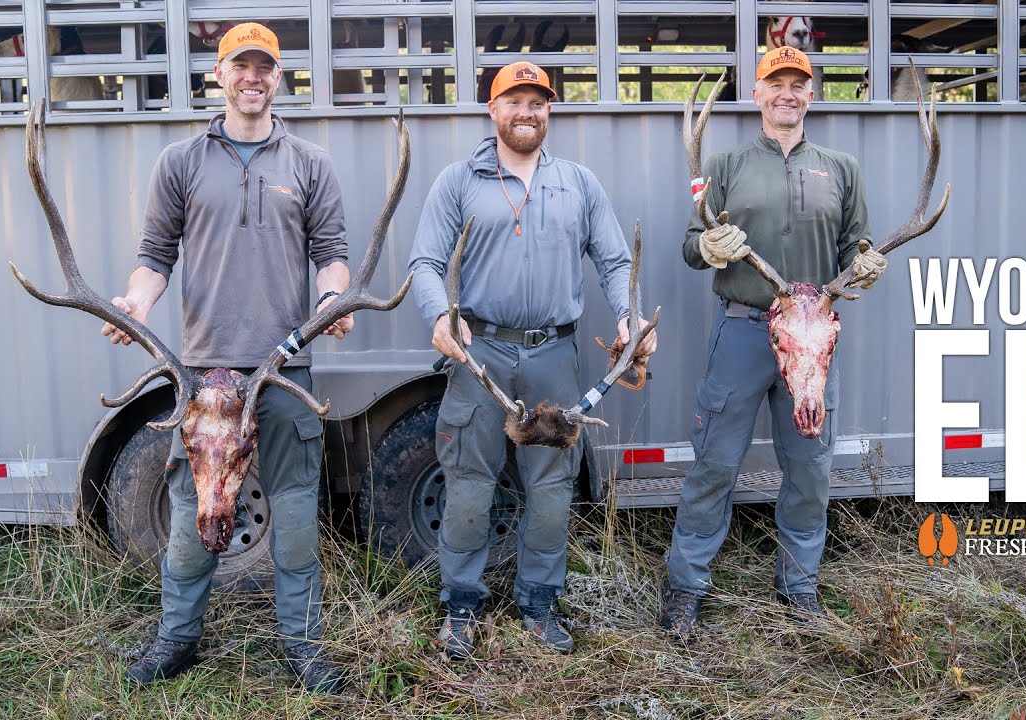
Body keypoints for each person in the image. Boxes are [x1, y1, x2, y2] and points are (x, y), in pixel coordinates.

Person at [104, 23, 351, 692]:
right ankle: (175, 642)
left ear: (277, 77)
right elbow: (156, 256)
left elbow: (332, 254)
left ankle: (304, 649)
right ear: (220, 75)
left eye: (263, 67)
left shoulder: (310, 163)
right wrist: (135, 304)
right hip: (207, 376)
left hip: (287, 371)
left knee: (296, 518)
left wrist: (333, 301)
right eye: (240, 66)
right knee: (194, 518)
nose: (252, 77)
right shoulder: (181, 162)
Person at [407, 61, 656, 659]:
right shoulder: (458, 182)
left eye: (538, 101)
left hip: (553, 354)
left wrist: (630, 318)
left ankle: (539, 602)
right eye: (514, 101)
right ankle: (462, 605)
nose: (527, 111)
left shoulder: (577, 183)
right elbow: (424, 264)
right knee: (468, 481)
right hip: (481, 356)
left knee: (550, 486)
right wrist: (440, 316)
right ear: (492, 111)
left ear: (550, 111)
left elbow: (616, 262)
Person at [659, 46, 886, 635]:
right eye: (775, 83)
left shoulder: (841, 167)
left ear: (811, 95)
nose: (787, 93)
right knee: (714, 464)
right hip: (743, 330)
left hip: (811, 339)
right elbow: (692, 242)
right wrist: (706, 248)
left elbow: (855, 246)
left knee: (810, 466)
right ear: (757, 93)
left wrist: (864, 265)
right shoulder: (727, 163)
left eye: (798, 84)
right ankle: (686, 588)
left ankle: (799, 588)